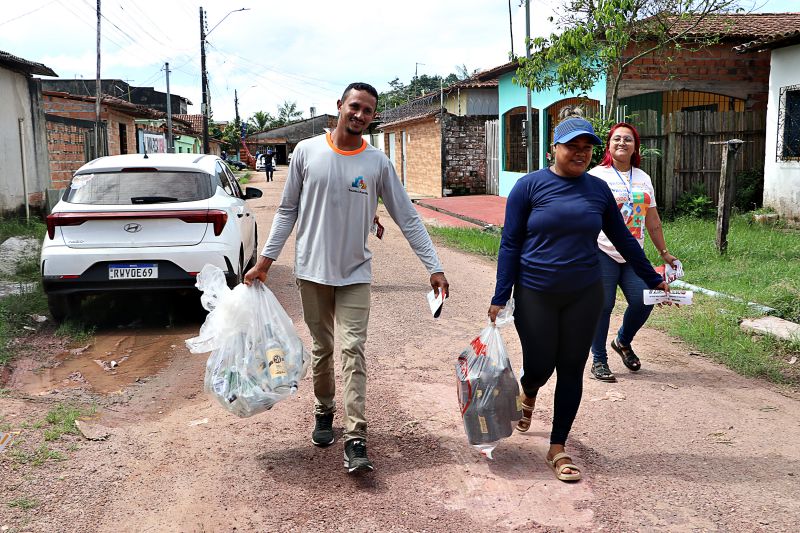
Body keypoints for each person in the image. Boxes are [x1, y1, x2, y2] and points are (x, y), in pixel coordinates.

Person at [244, 82, 449, 475]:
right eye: (355, 106)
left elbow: (407, 217)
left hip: (355, 273)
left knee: (353, 349)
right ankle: (324, 410)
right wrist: (266, 262)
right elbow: (286, 211)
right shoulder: (307, 152)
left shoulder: (377, 163)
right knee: (322, 350)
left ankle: (356, 438)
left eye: (368, 111)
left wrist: (433, 266)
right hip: (311, 272)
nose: (359, 115)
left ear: (373, 117)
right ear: (339, 106)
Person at [487, 116, 669, 483]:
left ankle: (557, 446)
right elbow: (510, 243)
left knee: (571, 367)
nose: (580, 153)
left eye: (586, 148)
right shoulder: (529, 187)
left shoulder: (597, 190)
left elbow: (623, 239)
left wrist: (653, 278)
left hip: (584, 293)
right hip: (536, 291)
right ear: (553, 148)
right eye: (572, 146)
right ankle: (529, 391)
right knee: (540, 366)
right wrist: (501, 294)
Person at [588, 123, 680, 382]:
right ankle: (599, 360)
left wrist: (664, 252)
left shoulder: (643, 178)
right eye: (616, 138)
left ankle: (622, 341)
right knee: (603, 305)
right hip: (603, 250)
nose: (622, 143)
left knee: (644, 300)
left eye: (627, 139)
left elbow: (652, 220)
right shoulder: (596, 176)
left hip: (633, 254)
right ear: (608, 145)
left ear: (635, 146)